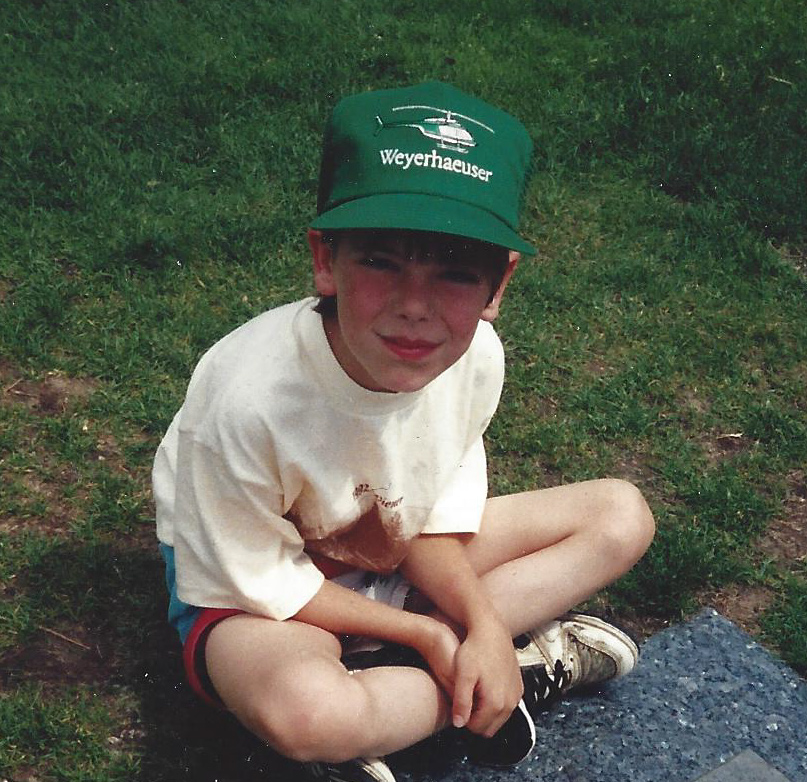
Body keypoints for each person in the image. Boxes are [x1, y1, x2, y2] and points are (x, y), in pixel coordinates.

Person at [153, 81, 655, 782]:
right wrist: (429, 631)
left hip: (384, 552)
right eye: (382, 262)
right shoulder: (245, 396)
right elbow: (252, 576)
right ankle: (493, 673)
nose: (414, 307)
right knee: (308, 714)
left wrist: (478, 624)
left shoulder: (475, 358)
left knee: (619, 516)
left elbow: (432, 526)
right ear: (326, 259)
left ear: (497, 285)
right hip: (257, 591)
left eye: (454, 273)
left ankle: (448, 674)